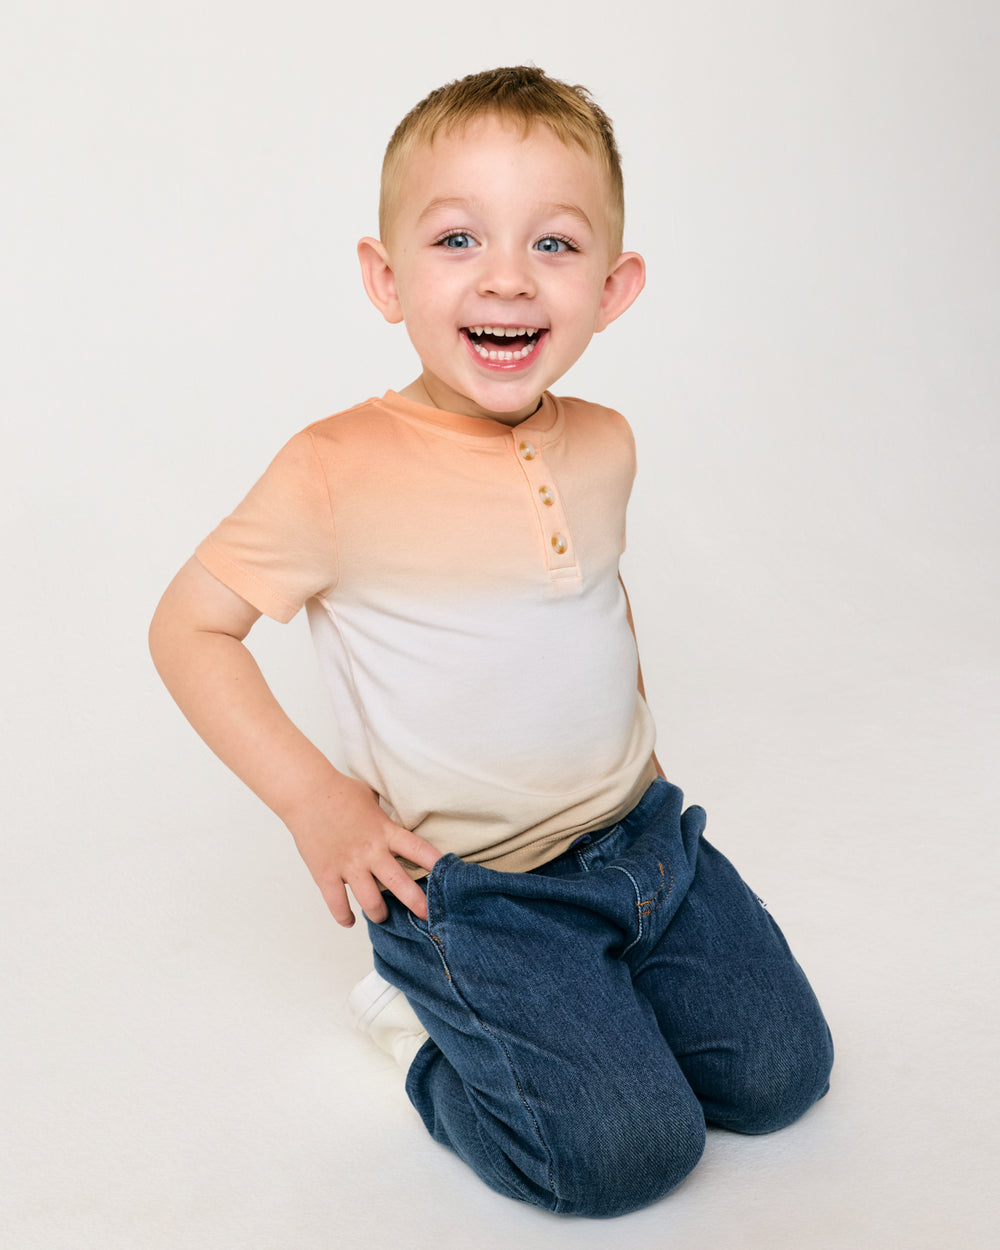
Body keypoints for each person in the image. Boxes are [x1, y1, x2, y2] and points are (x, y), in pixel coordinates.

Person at [149, 66, 833, 1218]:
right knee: (625, 1157)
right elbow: (188, 628)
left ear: (614, 288)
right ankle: (430, 1036)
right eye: (457, 237)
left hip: (642, 846)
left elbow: (596, 611)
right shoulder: (334, 468)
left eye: (554, 246)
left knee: (780, 1078)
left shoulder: (606, 442)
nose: (507, 275)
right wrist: (317, 798)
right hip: (473, 888)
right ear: (386, 277)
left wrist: (646, 771)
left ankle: (596, 995)